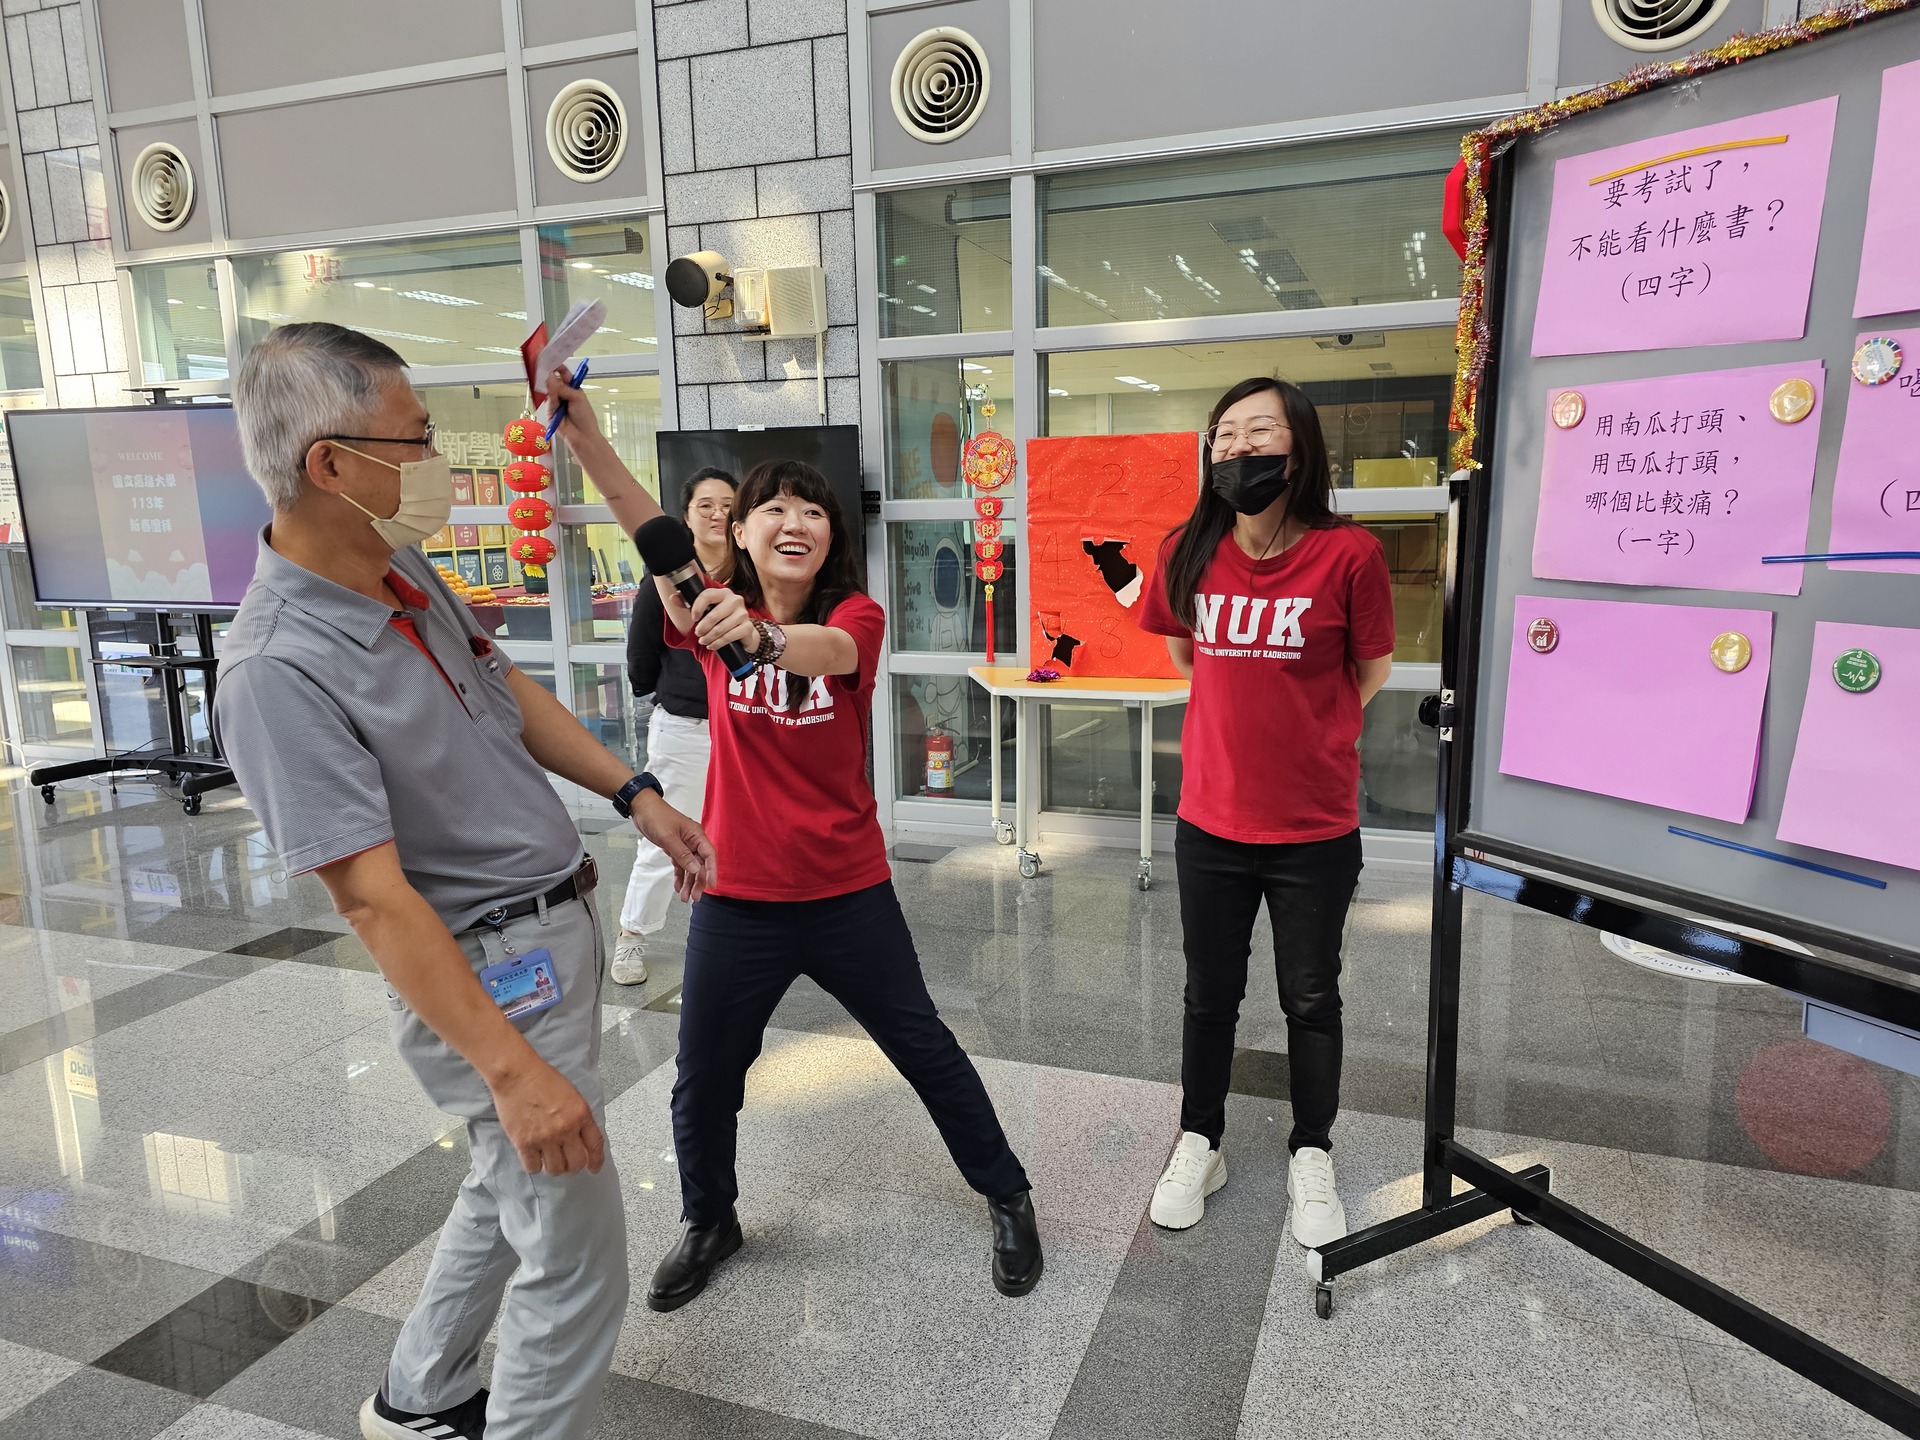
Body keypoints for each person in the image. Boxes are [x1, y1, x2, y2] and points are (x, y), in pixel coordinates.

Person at [212, 323, 715, 1440]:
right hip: (488, 974)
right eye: (418, 439)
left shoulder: (398, 568)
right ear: (329, 463)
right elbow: (372, 900)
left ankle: (419, 1394)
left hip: (550, 927)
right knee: (577, 1254)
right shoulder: (274, 669)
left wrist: (633, 792)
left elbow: (506, 691)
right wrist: (510, 1069)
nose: (440, 461)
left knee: (510, 1182)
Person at [545, 367, 1044, 1310]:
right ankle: (710, 1219)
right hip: (740, 899)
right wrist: (584, 436)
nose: (793, 521)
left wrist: (764, 640)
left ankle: (1008, 1193)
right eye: (771, 507)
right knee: (702, 1079)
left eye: (811, 511)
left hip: (849, 892)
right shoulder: (703, 611)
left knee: (925, 1048)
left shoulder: (851, 616)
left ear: (830, 540)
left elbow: (833, 656)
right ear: (737, 532)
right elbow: (646, 526)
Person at [1137, 376, 1395, 1248]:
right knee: (1209, 995)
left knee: (1311, 995)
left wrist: (1306, 734)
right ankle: (1199, 1138)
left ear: (1301, 449)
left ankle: (1311, 1148)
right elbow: (1185, 656)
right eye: (1226, 437)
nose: (1240, 451)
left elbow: (1370, 671)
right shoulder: (1187, 548)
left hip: (1315, 828)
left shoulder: (1349, 554)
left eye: (1259, 434)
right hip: (1209, 819)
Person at [611, 466, 738, 985]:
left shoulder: (752, 574)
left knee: (741, 836)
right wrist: (673, 691)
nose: (717, 514)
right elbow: (641, 655)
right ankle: (633, 938)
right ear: (686, 516)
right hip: (686, 728)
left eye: (728, 504)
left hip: (748, 727)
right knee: (669, 837)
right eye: (705, 504)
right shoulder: (663, 578)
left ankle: (731, 937)